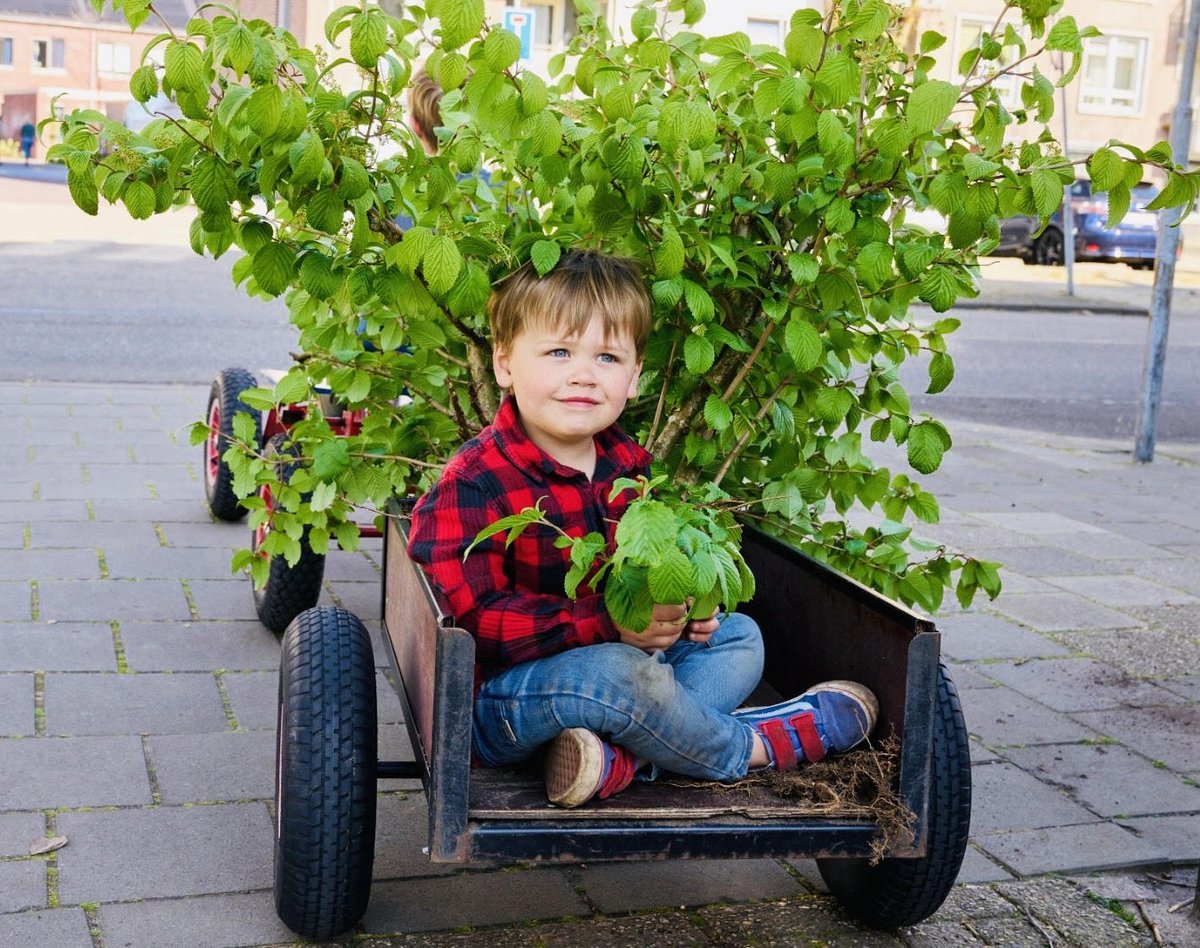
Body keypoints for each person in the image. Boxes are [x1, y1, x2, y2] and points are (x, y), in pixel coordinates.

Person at [407, 249, 878, 808]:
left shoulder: (629, 467)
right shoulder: (474, 482)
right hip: (507, 700)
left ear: (634, 377)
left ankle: (618, 759)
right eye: (559, 352)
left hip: (623, 667)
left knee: (737, 638)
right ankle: (751, 745)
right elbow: (470, 621)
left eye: (607, 357)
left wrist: (684, 609)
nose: (582, 374)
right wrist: (604, 625)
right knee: (619, 671)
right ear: (505, 364)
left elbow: (646, 574)